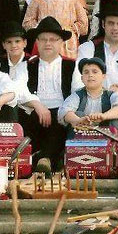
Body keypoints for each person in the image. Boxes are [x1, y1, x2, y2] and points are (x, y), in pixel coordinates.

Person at [21, 16, 83, 174]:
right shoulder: (27, 65)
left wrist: (65, 110)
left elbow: (78, 92)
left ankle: (45, 159)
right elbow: (19, 91)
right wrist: (37, 105)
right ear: (37, 42)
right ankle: (36, 159)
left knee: (61, 120)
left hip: (62, 111)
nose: (48, 43)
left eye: (53, 39)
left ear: (61, 42)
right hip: (34, 111)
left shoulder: (73, 65)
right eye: (43, 39)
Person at [22, 0, 89, 59]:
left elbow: (83, 22)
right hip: (46, 40)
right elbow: (27, 21)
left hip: (67, 41)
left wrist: (72, 29)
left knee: (67, 67)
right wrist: (41, 29)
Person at [59, 57, 118, 134]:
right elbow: (64, 111)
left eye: (95, 72)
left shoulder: (111, 95)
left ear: (103, 76)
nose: (90, 75)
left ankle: (115, 146)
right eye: (86, 72)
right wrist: (79, 120)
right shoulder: (77, 95)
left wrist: (104, 116)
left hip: (107, 135)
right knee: (78, 114)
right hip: (83, 135)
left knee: (113, 119)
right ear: (82, 78)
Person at [76, 0, 118, 88]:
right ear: (103, 24)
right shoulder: (88, 48)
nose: (115, 28)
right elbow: (78, 82)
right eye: (111, 23)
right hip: (96, 99)